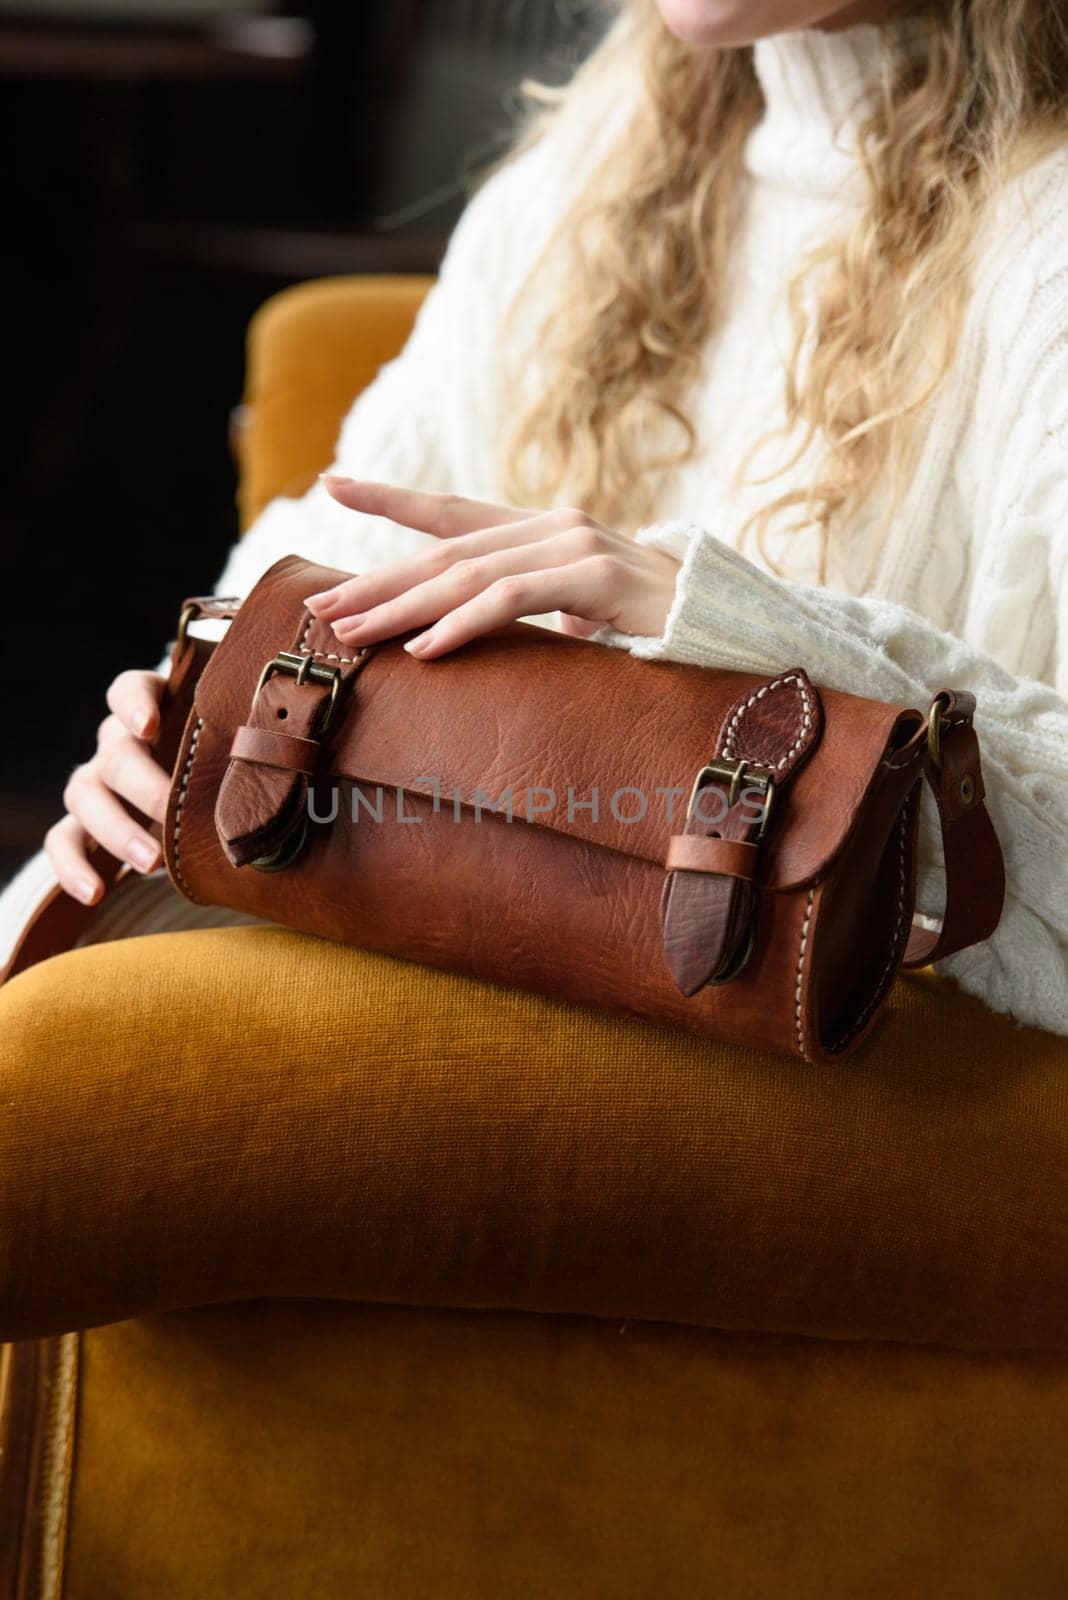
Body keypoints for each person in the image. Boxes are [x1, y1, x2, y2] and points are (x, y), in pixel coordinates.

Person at [4, 0, 1067, 1036]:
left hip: (842, 1073)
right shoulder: (572, 185)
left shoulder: (1043, 261)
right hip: (433, 951)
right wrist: (178, 736)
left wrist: (745, 628)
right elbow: (305, 610)